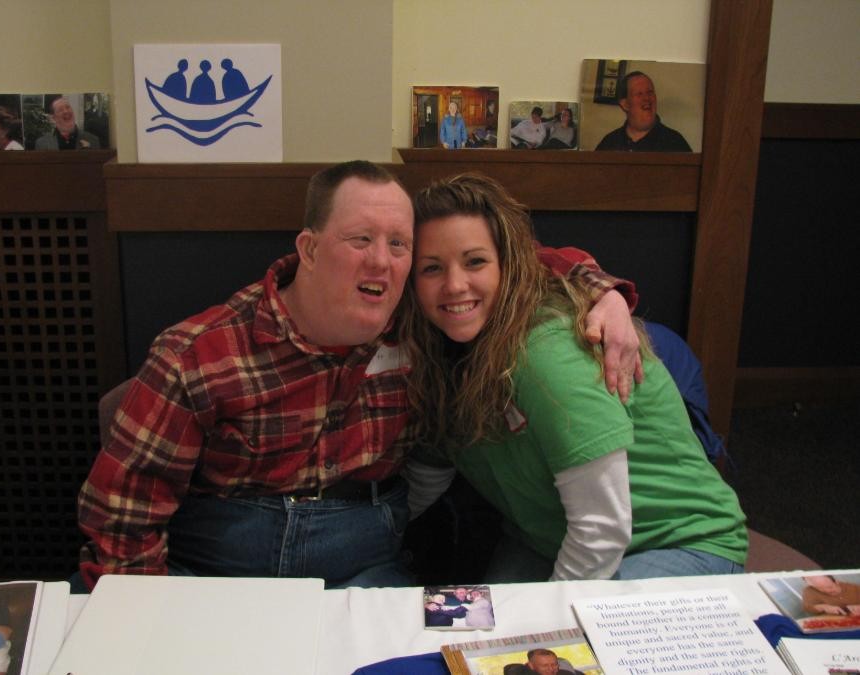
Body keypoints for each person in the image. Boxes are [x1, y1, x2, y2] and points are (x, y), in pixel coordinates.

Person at [76, 160, 640, 591]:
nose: (382, 262)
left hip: (362, 570)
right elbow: (123, 515)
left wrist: (601, 290)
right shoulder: (198, 354)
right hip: (218, 573)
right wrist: (142, 628)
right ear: (310, 248)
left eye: (399, 245)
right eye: (360, 240)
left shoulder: (421, 326)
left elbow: (502, 258)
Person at [402, 173, 748, 582]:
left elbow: (601, 529)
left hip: (675, 538)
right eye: (431, 268)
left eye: (475, 261)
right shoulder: (436, 356)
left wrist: (546, 627)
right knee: (482, 637)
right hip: (548, 538)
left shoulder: (545, 350)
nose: (454, 285)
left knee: (549, 645)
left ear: (509, 265)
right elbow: (427, 478)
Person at [595, 71, 692, 152]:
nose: (646, 98)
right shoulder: (609, 143)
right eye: (639, 94)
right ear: (625, 104)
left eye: (650, 92)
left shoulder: (675, 142)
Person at [35, 97, 100, 150]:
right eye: (60, 109)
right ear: (53, 118)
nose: (66, 111)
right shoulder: (42, 144)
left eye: (68, 107)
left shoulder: (93, 140)